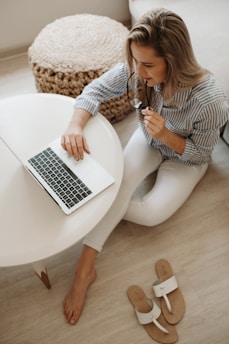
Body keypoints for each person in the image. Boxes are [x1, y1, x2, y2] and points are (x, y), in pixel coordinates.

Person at [61, 8, 229, 325]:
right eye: (136, 61)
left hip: (185, 159)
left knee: (148, 213)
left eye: (148, 65)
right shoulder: (139, 70)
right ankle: (84, 270)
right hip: (150, 142)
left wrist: (167, 134)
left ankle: (97, 198)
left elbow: (201, 154)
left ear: (174, 60)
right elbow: (94, 91)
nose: (139, 71)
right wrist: (74, 126)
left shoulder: (210, 101)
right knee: (117, 187)